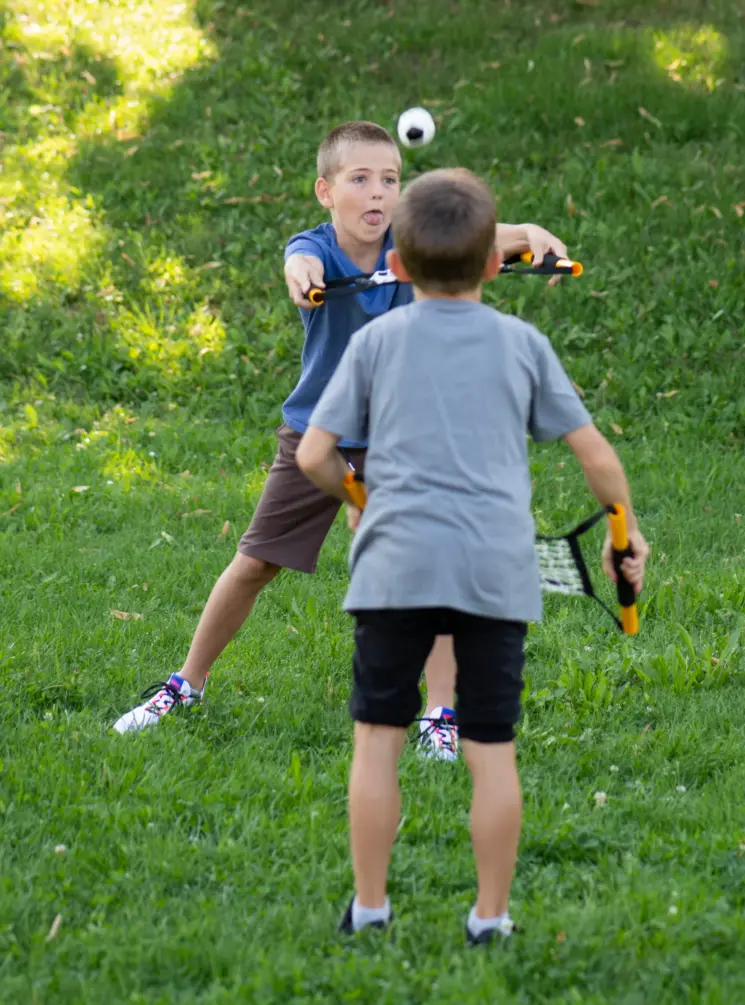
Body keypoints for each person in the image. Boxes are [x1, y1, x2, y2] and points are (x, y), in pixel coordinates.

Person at [112, 122, 572, 760]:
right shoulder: (316, 251)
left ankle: (439, 714)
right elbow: (297, 264)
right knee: (255, 562)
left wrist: (530, 236)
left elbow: (482, 237)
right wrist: (300, 278)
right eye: (360, 179)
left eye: (389, 179)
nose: (377, 192)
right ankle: (184, 686)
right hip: (317, 437)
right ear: (327, 192)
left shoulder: (411, 243)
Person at [295, 168, 649, 942]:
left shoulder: (377, 339)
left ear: (401, 264)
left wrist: (359, 500)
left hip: (393, 569)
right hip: (497, 573)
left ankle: (371, 907)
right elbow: (593, 453)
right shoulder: (523, 343)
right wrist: (625, 530)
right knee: (492, 751)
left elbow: (314, 454)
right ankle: (490, 916)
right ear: (496, 261)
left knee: (376, 743)